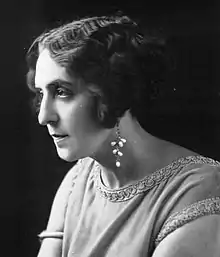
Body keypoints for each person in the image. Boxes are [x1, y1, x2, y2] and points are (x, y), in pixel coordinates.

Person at [26, 13, 220, 257]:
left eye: (62, 92)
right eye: (41, 94)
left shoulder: (198, 189)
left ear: (113, 93)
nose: (44, 117)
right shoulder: (78, 179)